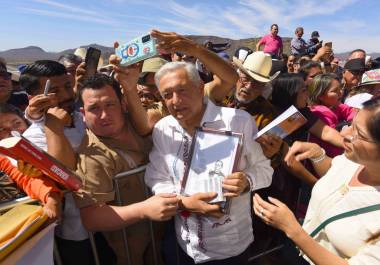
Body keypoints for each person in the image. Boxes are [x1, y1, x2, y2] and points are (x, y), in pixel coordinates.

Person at [144, 61, 273, 264]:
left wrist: (246, 181)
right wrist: (182, 203)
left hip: (229, 248)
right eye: (167, 94)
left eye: (182, 90)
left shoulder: (238, 121)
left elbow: (265, 171)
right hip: (184, 243)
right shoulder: (163, 128)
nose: (176, 101)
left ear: (200, 88)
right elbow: (156, 176)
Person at [45, 73, 178, 265]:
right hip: (131, 245)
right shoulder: (92, 157)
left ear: (123, 104)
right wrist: (144, 209)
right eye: (94, 109)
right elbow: (92, 217)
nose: (104, 115)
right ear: (83, 113)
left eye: (110, 105)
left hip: (170, 232)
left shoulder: (138, 124)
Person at [253, 96, 380, 265]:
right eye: (352, 125)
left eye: (359, 134)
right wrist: (318, 154)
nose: (345, 133)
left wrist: (292, 229)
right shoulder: (353, 160)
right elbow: (333, 173)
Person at [308, 73, 356, 157]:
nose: (341, 93)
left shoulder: (335, 105)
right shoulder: (321, 114)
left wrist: (352, 124)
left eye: (340, 88)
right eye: (334, 91)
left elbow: (351, 112)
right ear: (320, 96)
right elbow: (332, 143)